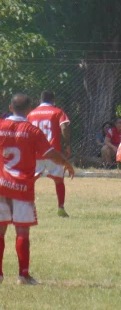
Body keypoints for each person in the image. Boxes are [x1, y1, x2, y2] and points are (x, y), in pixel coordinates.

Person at [0, 94, 75, 285]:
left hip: (1, 184)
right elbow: (50, 153)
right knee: (22, 232)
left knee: (0, 231)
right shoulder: (32, 131)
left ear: (10, 107)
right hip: (22, 187)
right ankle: (23, 275)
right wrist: (66, 163)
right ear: (29, 110)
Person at [26, 90, 72, 218]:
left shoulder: (31, 114)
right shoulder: (57, 112)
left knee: (30, 180)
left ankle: (30, 206)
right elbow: (64, 127)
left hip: (35, 152)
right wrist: (67, 144)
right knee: (59, 180)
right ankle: (61, 207)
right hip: (53, 152)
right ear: (53, 100)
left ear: (41, 100)